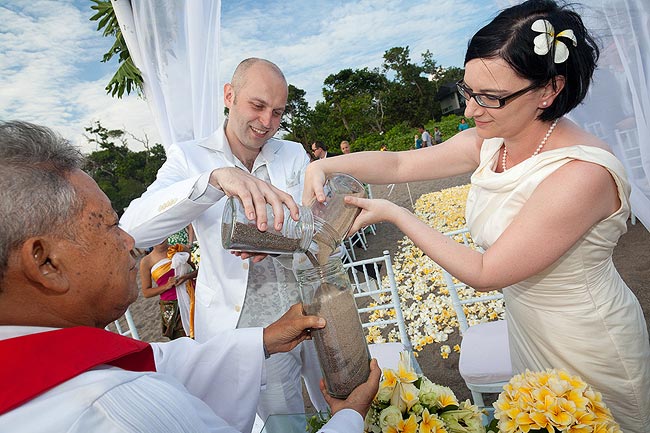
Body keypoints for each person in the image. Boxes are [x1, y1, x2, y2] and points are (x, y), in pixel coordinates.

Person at [302, 1, 650, 430]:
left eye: (491, 98)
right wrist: (322, 166)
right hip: (527, 329)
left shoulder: (584, 173)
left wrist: (394, 213)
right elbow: (400, 165)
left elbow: (487, 271)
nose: (470, 110)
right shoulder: (492, 140)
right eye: (468, 91)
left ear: (549, 90)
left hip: (585, 340)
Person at [0, 120, 380, 433]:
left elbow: (159, 361)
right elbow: (143, 222)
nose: (128, 240)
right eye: (111, 226)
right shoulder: (113, 412)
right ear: (45, 263)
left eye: (277, 110)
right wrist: (349, 418)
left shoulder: (39, 355)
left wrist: (262, 339)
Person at [119, 58, 329, 425]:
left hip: (312, 303)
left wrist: (281, 239)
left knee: (338, 399)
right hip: (252, 329)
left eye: (277, 112)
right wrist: (214, 181)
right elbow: (134, 229)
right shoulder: (189, 157)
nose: (267, 123)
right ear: (229, 95)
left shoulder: (293, 152)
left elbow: (316, 228)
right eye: (258, 106)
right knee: (286, 421)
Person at [139, 237, 197, 339]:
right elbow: (146, 292)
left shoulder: (180, 249)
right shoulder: (146, 261)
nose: (159, 239)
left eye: (161, 235)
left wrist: (187, 276)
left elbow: (199, 270)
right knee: (182, 341)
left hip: (193, 297)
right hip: (171, 307)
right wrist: (166, 286)